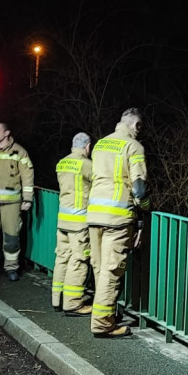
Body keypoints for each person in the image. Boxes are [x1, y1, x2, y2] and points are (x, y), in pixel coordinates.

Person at [85, 108, 149, 338]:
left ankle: (107, 315)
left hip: (94, 215)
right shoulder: (134, 147)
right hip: (118, 217)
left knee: (100, 269)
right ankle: (103, 324)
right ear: (137, 126)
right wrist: (146, 205)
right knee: (111, 272)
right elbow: (139, 188)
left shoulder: (101, 144)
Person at [0, 119, 34, 282]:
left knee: (11, 238)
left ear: (6, 133)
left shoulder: (20, 152)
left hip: (12, 203)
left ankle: (11, 268)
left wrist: (27, 199)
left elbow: (27, 176)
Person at [53, 132, 94, 315]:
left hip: (62, 219)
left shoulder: (62, 162)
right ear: (87, 146)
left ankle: (57, 299)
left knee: (62, 258)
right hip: (79, 222)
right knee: (79, 260)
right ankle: (72, 303)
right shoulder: (86, 164)